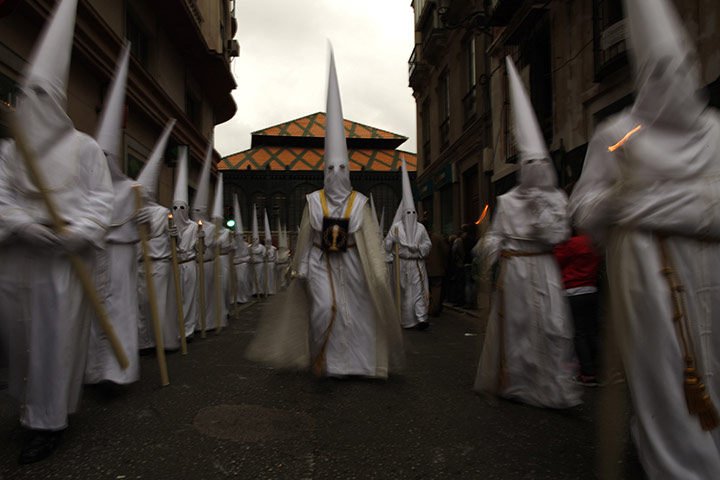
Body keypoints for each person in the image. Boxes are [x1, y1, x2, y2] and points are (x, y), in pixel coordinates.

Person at [569, 0, 720, 476]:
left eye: (680, 68)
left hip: (711, 269)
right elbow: (583, 208)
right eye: (660, 72)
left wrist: (646, 205)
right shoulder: (620, 133)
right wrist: (619, 199)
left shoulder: (715, 132)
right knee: (665, 372)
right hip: (651, 274)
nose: (672, 81)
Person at [0, 0, 114, 462]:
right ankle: (26, 410)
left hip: (63, 264)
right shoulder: (10, 152)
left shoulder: (84, 149)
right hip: (18, 256)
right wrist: (22, 224)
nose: (35, 106)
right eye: (29, 95)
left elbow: (100, 201)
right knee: (19, 341)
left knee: (53, 341)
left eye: (45, 97)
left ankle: (46, 422)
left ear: (60, 101)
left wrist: (78, 232)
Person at [246, 48, 403, 378]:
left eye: (341, 168)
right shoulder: (313, 200)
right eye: (329, 168)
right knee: (323, 309)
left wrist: (376, 271)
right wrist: (301, 264)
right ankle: (326, 360)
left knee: (356, 313)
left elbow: (370, 241)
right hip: (320, 263)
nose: (335, 173)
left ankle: (356, 364)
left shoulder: (359, 202)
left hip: (352, 265)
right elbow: (306, 235)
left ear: (348, 170)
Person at [474, 57, 580, 409]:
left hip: (546, 269)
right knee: (519, 329)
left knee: (554, 326)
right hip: (516, 272)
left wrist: (540, 214)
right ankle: (518, 383)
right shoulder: (506, 200)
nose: (535, 170)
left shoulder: (556, 199)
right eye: (529, 164)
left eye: (541, 164)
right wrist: (490, 250)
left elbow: (560, 234)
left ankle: (554, 386)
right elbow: (496, 235)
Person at [84, 44, 141, 386]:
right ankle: (94, 371)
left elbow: (143, 219)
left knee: (118, 310)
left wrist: (144, 219)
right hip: (93, 256)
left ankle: (118, 371)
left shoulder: (132, 189)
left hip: (120, 260)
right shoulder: (84, 187)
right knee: (92, 313)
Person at [136, 121, 180, 351]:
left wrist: (172, 235)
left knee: (159, 304)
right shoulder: (133, 210)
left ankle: (162, 341)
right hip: (139, 264)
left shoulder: (163, 213)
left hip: (160, 265)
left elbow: (173, 241)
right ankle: (144, 342)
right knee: (141, 305)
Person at [384, 158, 432, 330]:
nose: (411, 215)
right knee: (404, 293)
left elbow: (428, 244)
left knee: (418, 291)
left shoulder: (420, 228)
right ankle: (405, 320)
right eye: (408, 213)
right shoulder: (396, 228)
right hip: (402, 264)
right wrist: (393, 241)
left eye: (413, 212)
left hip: (417, 264)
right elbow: (387, 244)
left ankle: (421, 318)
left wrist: (418, 248)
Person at [553, 228, 601, 386]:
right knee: (592, 332)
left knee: (579, 333)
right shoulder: (591, 241)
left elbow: (557, 262)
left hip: (573, 291)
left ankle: (587, 373)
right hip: (592, 289)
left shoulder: (568, 245)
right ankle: (601, 369)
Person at [170, 147, 199, 339]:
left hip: (188, 265)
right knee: (173, 300)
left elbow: (197, 249)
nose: (178, 211)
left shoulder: (193, 228)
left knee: (188, 299)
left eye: (182, 207)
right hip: (172, 267)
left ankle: (188, 329)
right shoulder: (168, 225)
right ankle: (174, 330)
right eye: (175, 208)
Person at [424, 221, 448, 317]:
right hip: (437, 268)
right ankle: (434, 308)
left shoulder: (419, 238)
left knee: (425, 289)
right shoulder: (438, 238)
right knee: (436, 288)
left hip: (424, 268)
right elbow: (446, 251)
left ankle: (426, 307)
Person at [231, 194, 251, 304]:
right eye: (236, 236)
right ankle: (235, 298)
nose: (238, 238)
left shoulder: (245, 245)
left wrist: (242, 260)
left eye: (240, 236)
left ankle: (242, 297)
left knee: (241, 281)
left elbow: (248, 256)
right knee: (234, 282)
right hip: (233, 265)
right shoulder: (232, 244)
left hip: (242, 266)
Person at [248, 204, 266, 297]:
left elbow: (263, 255)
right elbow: (247, 255)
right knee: (252, 279)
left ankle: (260, 291)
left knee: (259, 278)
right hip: (252, 265)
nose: (254, 241)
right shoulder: (250, 247)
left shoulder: (261, 247)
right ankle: (254, 291)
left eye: (256, 239)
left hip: (259, 264)